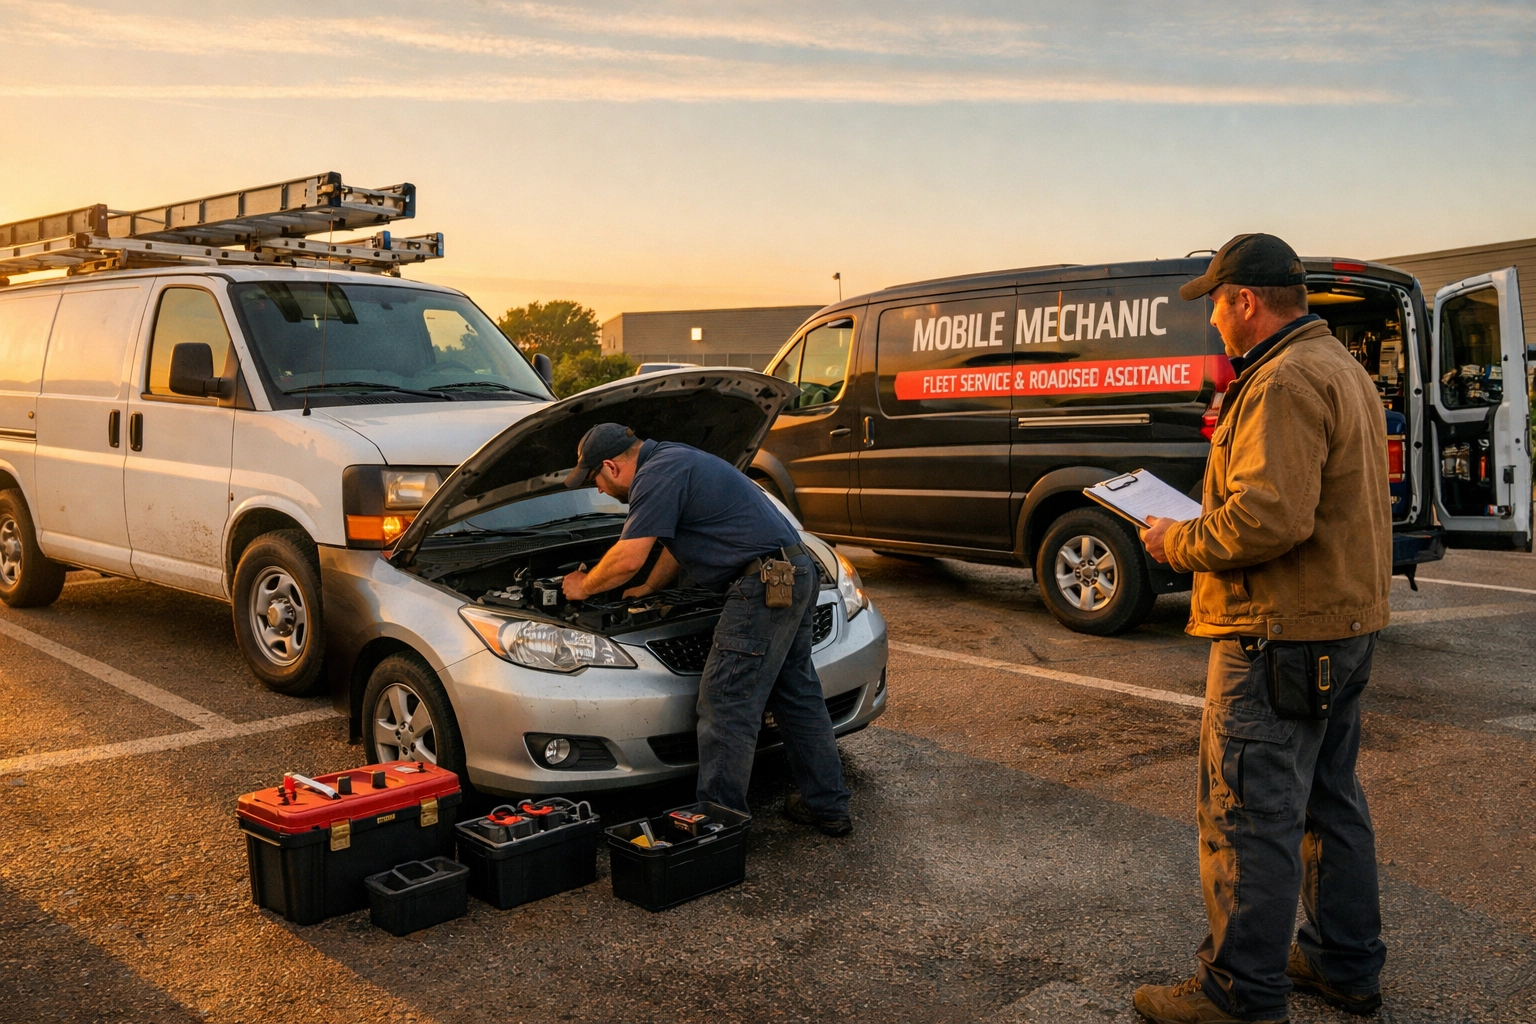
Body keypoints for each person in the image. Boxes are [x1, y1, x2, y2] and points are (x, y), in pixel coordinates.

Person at [1135, 234, 1392, 1024]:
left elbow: (1268, 517)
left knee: (1249, 816)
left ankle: (1237, 992)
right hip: (1342, 624)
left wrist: (1174, 540)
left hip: (1277, 634)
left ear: (1245, 300)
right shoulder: (1341, 367)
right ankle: (1344, 964)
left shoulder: (1281, 380)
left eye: (1214, 303)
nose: (1211, 320)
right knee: (1329, 803)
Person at [560, 423, 854, 836]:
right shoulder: (675, 456)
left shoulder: (655, 475)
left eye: (597, 482)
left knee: (726, 703)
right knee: (796, 692)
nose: (601, 492)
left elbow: (627, 557)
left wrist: (581, 587)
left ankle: (720, 824)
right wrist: (648, 589)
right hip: (793, 573)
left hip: (760, 586)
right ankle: (827, 805)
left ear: (611, 466)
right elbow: (678, 538)